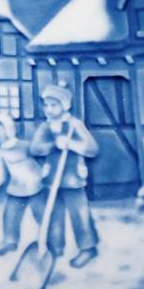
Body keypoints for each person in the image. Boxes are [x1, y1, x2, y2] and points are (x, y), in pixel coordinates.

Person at [29, 81, 100, 268]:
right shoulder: (45, 127)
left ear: (65, 105)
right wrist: (53, 145)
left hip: (73, 178)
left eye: (53, 105)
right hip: (51, 177)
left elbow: (92, 149)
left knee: (79, 214)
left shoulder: (74, 125)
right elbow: (35, 149)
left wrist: (71, 144)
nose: (48, 109)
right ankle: (55, 247)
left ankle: (88, 248)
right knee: (53, 213)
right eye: (46, 105)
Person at [0, 111, 43, 254]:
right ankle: (10, 241)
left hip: (37, 186)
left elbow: (42, 158)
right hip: (17, 188)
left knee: (43, 214)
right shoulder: (0, 153)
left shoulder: (25, 146)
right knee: (10, 215)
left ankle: (53, 242)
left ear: (8, 128)